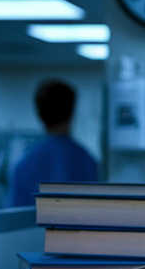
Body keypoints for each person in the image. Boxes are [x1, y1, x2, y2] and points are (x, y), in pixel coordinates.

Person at [8, 79, 98, 207]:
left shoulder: (25, 165)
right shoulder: (87, 161)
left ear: (39, 114)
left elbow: (15, 216)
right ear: (72, 112)